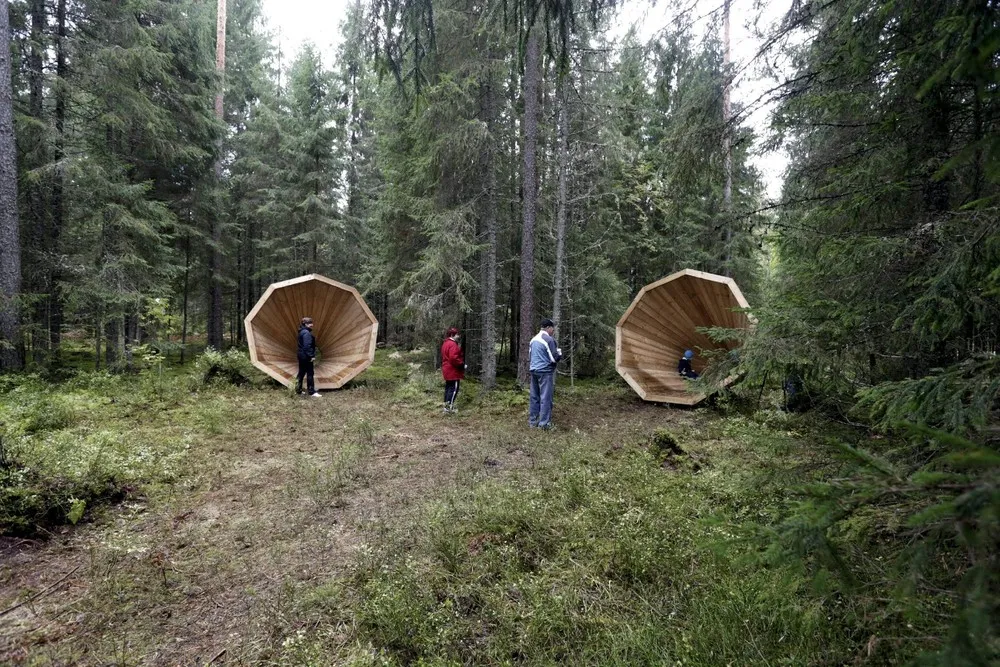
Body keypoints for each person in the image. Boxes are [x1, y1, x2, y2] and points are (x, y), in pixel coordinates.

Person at [528, 318, 562, 429]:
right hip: (545, 372)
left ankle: (533, 422)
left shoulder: (533, 340)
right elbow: (554, 358)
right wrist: (559, 353)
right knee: (546, 398)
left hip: (534, 370)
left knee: (534, 397)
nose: (553, 331)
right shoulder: (549, 340)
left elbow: (530, 356)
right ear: (548, 328)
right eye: (552, 328)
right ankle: (544, 424)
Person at [440, 327, 465, 413]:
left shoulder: (445, 343)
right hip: (452, 370)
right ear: (452, 334)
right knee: (454, 389)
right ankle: (449, 408)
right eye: (457, 334)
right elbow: (454, 358)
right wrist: (461, 364)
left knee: (448, 388)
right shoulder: (453, 344)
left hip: (447, 369)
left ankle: (446, 407)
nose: (458, 336)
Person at [296, 316, 321, 397]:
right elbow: (307, 346)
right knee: (310, 373)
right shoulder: (306, 333)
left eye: (311, 323)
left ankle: (298, 390)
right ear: (305, 324)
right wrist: (311, 356)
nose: (312, 325)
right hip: (306, 356)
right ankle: (311, 391)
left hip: (301, 355)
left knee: (301, 373)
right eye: (310, 323)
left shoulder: (302, 332)